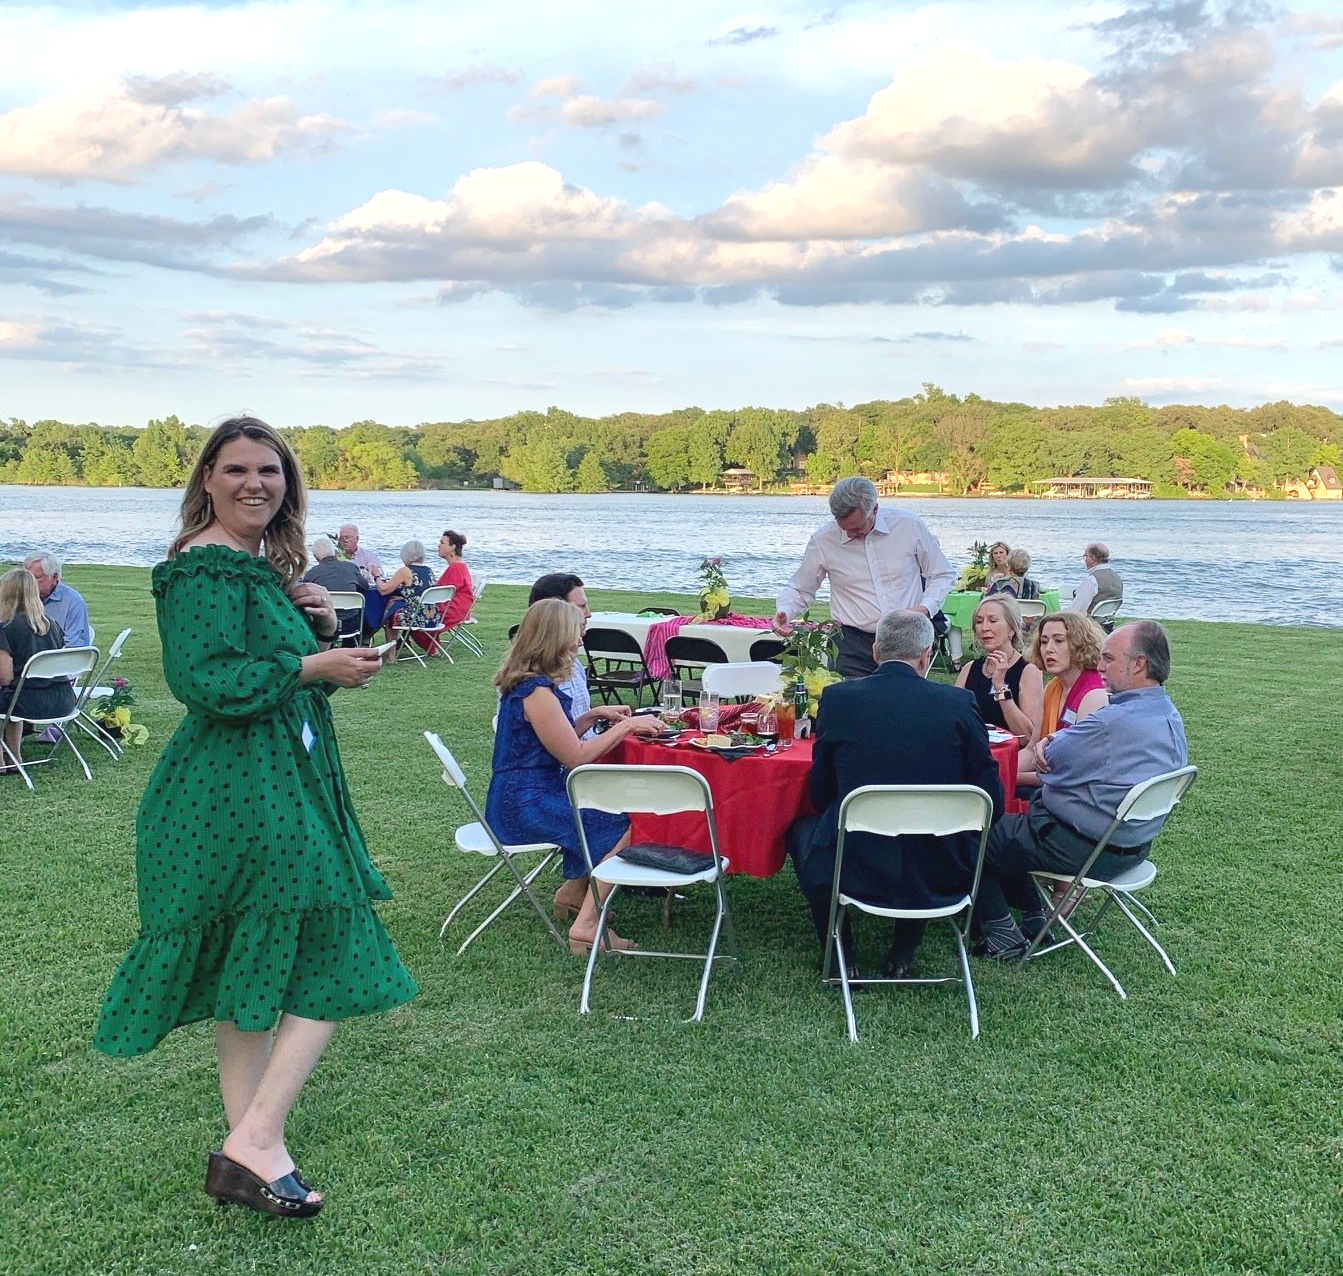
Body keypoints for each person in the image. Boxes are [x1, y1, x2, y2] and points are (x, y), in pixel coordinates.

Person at [93, 416, 414, 1220]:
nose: (254, 483)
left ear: (286, 483)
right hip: (239, 793)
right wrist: (309, 661)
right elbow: (205, 683)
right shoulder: (201, 567)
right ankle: (259, 1136)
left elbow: (275, 670)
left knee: (252, 964)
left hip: (276, 779)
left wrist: (321, 630)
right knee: (337, 945)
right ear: (207, 478)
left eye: (269, 471)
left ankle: (251, 1152)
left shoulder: (255, 567)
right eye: (235, 469)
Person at [790, 610, 1004, 978]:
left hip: (854, 866)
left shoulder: (838, 699)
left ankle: (840, 954)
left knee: (801, 831)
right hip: (943, 868)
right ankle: (903, 951)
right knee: (921, 836)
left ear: (875, 652)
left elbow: (821, 792)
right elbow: (991, 803)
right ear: (925, 656)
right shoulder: (958, 703)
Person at [973, 621, 1188, 959]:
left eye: (1109, 659)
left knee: (973, 831)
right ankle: (1034, 916)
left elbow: (1052, 760)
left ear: (1138, 664)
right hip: (1133, 847)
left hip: (1084, 847)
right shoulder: (1168, 714)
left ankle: (1003, 933)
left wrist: (1050, 743)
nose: (1100, 666)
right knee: (1013, 822)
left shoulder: (1110, 721)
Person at [486, 598, 664, 954]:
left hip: (523, 794)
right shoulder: (536, 692)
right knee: (626, 822)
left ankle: (571, 893)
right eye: (574, 635)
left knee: (603, 807)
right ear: (554, 639)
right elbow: (575, 756)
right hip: (523, 805)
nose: (579, 642)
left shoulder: (530, 684)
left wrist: (592, 715)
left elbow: (552, 740)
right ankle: (588, 924)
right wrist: (628, 726)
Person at [774, 476, 956, 679]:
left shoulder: (909, 526)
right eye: (845, 529)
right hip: (851, 644)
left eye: (857, 528)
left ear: (874, 509)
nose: (851, 534)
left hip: (906, 639)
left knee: (905, 697)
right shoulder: (823, 540)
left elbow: (942, 574)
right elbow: (801, 588)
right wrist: (785, 611)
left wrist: (923, 609)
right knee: (849, 698)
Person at [527, 571, 634, 742]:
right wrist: (628, 726)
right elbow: (570, 751)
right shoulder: (535, 683)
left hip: (587, 749)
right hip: (575, 758)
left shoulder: (572, 662)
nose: (589, 614)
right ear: (556, 613)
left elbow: (569, 733)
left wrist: (595, 714)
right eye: (581, 607)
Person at [1017, 612, 1108, 789]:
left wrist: (1011, 777)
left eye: (1059, 641)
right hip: (1050, 781)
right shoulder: (1052, 687)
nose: (1048, 649)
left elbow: (1075, 771)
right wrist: (1000, 769)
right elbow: (1031, 749)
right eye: (1044, 642)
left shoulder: (1094, 694)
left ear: (1080, 645)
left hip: (1076, 791)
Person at [0, 568, 76, 773]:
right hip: (63, 701)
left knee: (10, 695)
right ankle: (14, 757)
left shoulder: (5, 628)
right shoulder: (52, 625)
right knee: (14, 694)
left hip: (26, 704)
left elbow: (5, 678)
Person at [956, 596, 1044, 743]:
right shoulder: (969, 668)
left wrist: (1000, 687)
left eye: (993, 620)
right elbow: (954, 716)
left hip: (1009, 752)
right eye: (979, 621)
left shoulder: (1028, 670)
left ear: (1012, 629)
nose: (984, 627)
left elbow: (1027, 737)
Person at [24, 551, 91, 649]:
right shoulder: (18, 597)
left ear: (54, 576)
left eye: (36, 578)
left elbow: (75, 647)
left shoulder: (73, 602)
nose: (28, 583)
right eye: (27, 578)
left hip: (56, 656)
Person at [302, 537, 365, 641]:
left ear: (316, 557)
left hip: (324, 626)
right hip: (351, 624)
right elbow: (365, 586)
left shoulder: (312, 573)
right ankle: (358, 642)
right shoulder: (351, 567)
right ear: (334, 553)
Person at [377, 540, 436, 638]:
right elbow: (418, 592)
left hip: (415, 618)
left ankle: (391, 647)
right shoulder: (429, 570)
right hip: (432, 617)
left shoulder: (406, 571)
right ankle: (402, 642)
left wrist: (376, 576)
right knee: (395, 602)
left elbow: (383, 590)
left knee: (390, 613)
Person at [1065, 541, 1123, 618]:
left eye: (1085, 556)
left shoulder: (1092, 580)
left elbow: (1075, 610)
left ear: (1092, 558)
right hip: (1107, 621)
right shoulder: (1117, 577)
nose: (1085, 560)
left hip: (1088, 623)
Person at [433, 529, 475, 634]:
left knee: (411, 616)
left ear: (452, 547)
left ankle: (431, 643)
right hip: (461, 610)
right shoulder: (460, 566)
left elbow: (438, 593)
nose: (439, 545)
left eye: (442, 543)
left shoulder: (455, 568)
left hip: (452, 612)